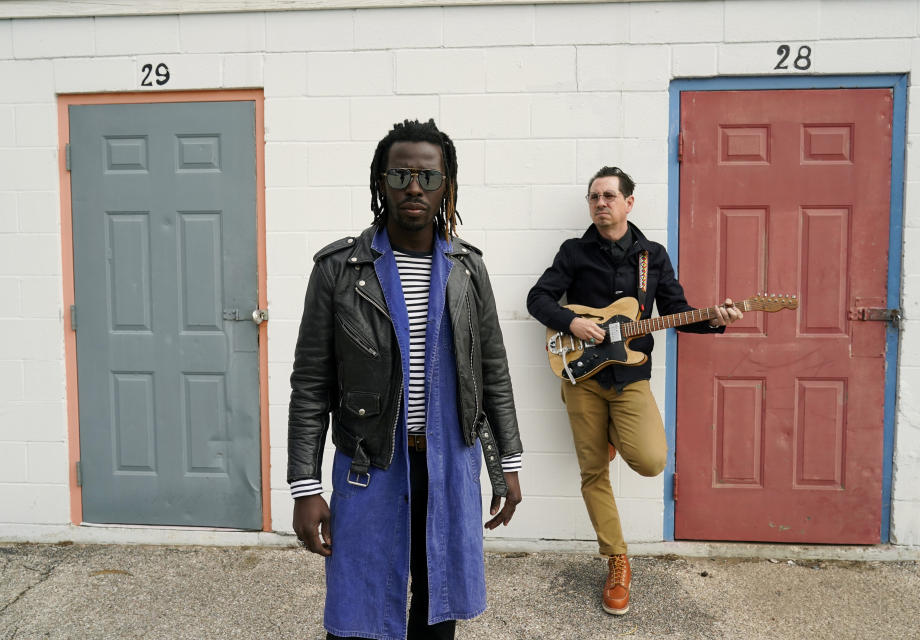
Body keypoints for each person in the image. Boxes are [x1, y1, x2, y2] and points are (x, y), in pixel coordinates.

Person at [287, 119, 523, 640]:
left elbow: (493, 372)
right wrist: (305, 487)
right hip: (370, 464)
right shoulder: (339, 269)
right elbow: (310, 383)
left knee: (438, 608)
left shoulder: (467, 269)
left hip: (449, 463)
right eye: (399, 177)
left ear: (446, 185)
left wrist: (507, 465)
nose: (413, 188)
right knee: (359, 610)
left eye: (426, 176)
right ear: (380, 183)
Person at [526, 166, 741, 616]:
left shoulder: (653, 257)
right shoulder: (573, 251)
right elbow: (538, 299)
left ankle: (613, 435)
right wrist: (572, 322)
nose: (600, 203)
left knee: (650, 460)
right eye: (593, 197)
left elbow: (677, 312)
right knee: (592, 473)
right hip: (582, 378)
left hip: (629, 379)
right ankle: (617, 558)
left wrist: (715, 319)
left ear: (629, 202)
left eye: (608, 196)